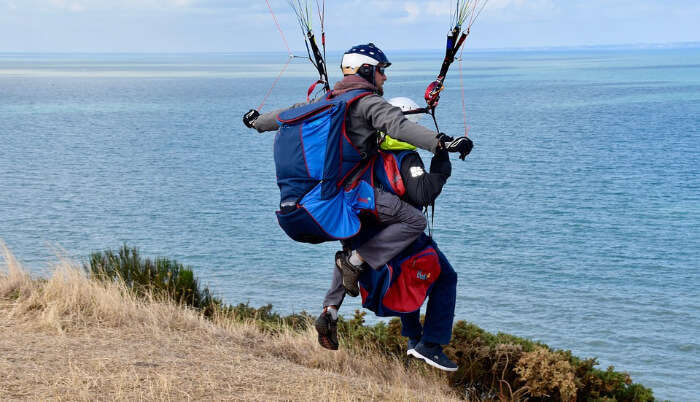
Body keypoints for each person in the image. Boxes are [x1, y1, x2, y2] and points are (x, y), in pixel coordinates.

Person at [243, 43, 472, 299]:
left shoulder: (326, 100)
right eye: (381, 70)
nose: (384, 76)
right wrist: (442, 143)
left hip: (309, 199)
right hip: (349, 194)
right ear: (366, 70)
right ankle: (356, 262)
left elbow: (285, 115)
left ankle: (331, 307)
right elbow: (397, 126)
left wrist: (256, 122)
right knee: (415, 221)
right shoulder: (367, 102)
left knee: (360, 232)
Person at [314, 97, 467, 371]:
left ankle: (334, 310)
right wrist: (442, 165)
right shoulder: (405, 156)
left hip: (365, 226)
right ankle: (430, 345)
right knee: (445, 278)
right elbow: (423, 192)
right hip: (399, 235)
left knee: (368, 264)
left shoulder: (367, 151)